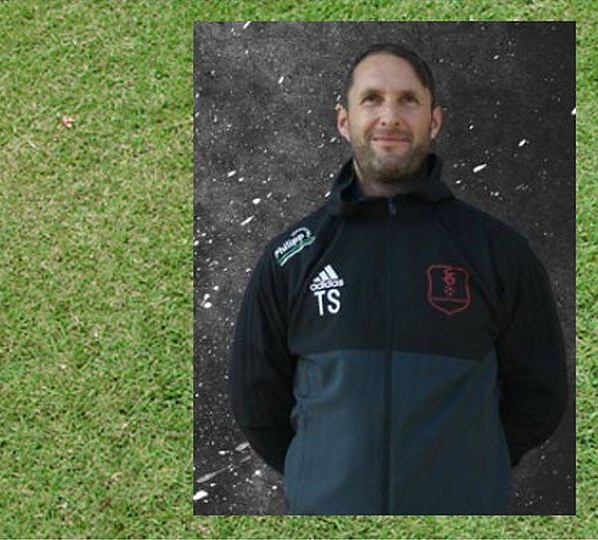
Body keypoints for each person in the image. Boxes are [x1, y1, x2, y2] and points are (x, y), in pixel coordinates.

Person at [229, 43, 567, 515]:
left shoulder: (498, 252)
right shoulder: (291, 257)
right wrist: (322, 473)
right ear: (344, 120)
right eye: (372, 99)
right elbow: (256, 402)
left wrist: (472, 466)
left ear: (435, 121)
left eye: (408, 100)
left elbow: (540, 395)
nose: (389, 117)